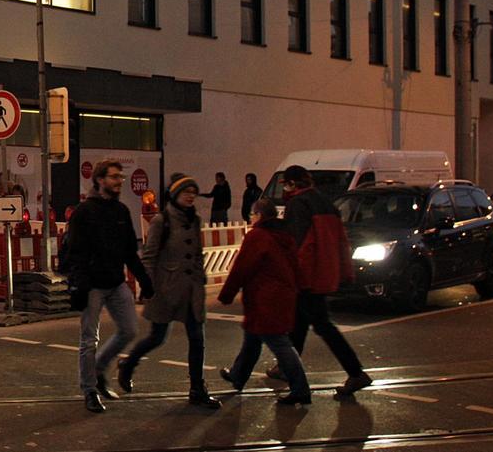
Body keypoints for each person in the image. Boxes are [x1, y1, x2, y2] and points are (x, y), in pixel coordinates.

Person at [61, 159, 153, 414]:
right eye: (114, 177)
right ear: (100, 180)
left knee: (130, 329)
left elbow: (130, 253)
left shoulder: (121, 211)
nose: (119, 182)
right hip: (92, 285)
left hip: (115, 281)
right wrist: (80, 284)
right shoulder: (84, 212)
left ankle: (100, 367)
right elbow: (75, 253)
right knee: (89, 339)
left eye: (121, 178)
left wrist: (145, 282)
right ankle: (89, 389)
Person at [118, 174, 218, 409]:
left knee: (197, 338)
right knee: (157, 337)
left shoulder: (195, 220)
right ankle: (129, 363)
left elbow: (198, 252)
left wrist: (200, 276)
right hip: (167, 287)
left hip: (192, 289)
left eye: (193, 193)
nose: (191, 196)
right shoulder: (161, 221)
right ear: (174, 195)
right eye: (186, 192)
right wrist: (148, 286)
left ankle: (197, 388)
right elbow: (150, 256)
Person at [278, 164, 371, 396]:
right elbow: (341, 240)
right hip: (325, 272)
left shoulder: (298, 204)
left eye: (286, 184)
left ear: (292, 183)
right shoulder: (326, 202)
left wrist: (292, 275)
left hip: (308, 276)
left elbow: (297, 243)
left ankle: (356, 372)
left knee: (322, 325)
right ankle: (287, 368)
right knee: (298, 325)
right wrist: (345, 271)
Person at [218, 198, 313, 404]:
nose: (251, 218)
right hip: (281, 296)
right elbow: (296, 265)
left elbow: (241, 268)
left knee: (279, 342)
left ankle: (301, 388)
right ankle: (237, 375)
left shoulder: (257, 237)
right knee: (252, 338)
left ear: (259, 215)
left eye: (252, 214)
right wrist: (302, 288)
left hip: (264, 298)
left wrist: (227, 293)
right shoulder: (284, 235)